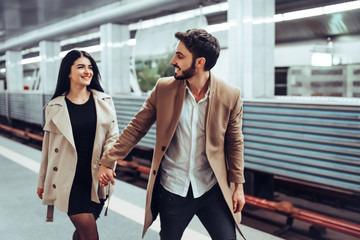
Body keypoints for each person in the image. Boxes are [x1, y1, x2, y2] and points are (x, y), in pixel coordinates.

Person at [98, 29, 246, 240]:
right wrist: (108, 159)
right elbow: (137, 127)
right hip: (174, 188)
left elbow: (234, 142)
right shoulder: (164, 89)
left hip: (212, 188)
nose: (172, 60)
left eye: (180, 56)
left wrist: (238, 186)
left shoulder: (230, 95)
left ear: (200, 62)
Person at [37, 49, 119, 240]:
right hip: (68, 180)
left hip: (95, 178)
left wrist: (107, 165)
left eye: (90, 67)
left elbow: (113, 138)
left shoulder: (104, 101)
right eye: (80, 67)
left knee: (82, 233)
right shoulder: (55, 107)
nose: (87, 71)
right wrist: (42, 181)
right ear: (68, 72)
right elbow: (48, 148)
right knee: (91, 236)